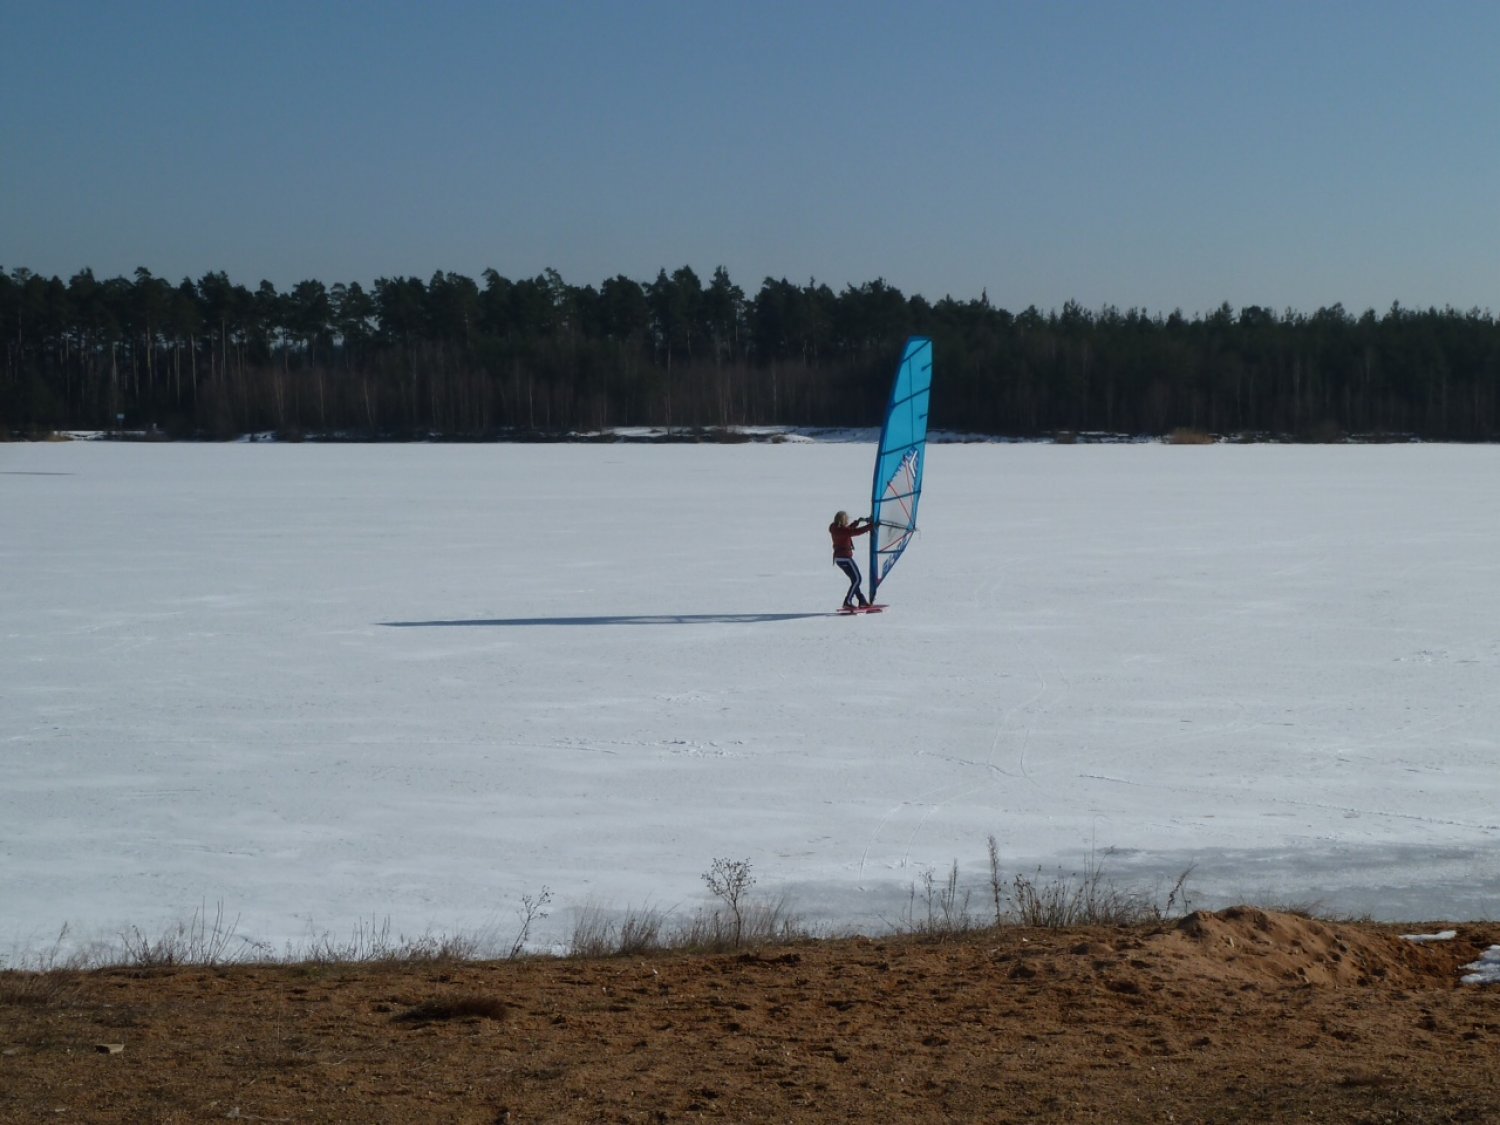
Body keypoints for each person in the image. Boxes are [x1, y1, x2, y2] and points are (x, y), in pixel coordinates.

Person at [829, 510, 873, 609]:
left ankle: (861, 600)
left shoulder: (835, 528)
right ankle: (847, 602)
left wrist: (856, 523)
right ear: (843, 520)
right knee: (858, 579)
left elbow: (848, 530)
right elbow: (854, 532)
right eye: (847, 519)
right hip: (845, 558)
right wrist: (871, 526)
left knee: (854, 579)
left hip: (839, 558)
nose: (848, 520)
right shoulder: (841, 530)